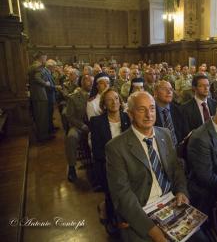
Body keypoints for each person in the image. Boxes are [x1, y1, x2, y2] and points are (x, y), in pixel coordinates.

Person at [105, 91, 208, 242]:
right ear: (130, 114)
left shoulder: (165, 134)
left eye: (152, 108)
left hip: (171, 202)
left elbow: (176, 169)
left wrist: (181, 191)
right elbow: (122, 195)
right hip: (141, 210)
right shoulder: (115, 147)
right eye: (142, 109)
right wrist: (152, 231)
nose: (149, 115)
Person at [90, 88, 131, 235]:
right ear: (104, 104)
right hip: (107, 164)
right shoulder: (96, 122)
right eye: (109, 100)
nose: (114, 102)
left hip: (129, 162)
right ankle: (113, 218)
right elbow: (97, 151)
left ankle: (130, 219)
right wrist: (115, 162)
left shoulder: (128, 118)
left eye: (116, 98)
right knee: (112, 193)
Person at [65, 74, 93, 181]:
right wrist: (82, 126)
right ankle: (72, 168)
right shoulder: (73, 97)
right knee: (71, 137)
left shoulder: (96, 96)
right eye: (88, 81)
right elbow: (70, 116)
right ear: (81, 82)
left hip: (94, 125)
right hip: (79, 125)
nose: (90, 83)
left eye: (92, 81)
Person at [28, 51, 53, 141]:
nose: (45, 60)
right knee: (42, 116)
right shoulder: (38, 66)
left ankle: (41, 134)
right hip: (40, 95)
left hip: (35, 94)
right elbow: (37, 78)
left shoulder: (31, 66)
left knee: (38, 116)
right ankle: (43, 136)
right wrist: (46, 83)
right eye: (45, 58)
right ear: (41, 57)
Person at [154, 81, 186, 146]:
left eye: (171, 89)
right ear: (155, 92)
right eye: (164, 89)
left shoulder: (179, 110)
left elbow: (185, 134)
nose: (169, 92)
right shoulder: (151, 111)